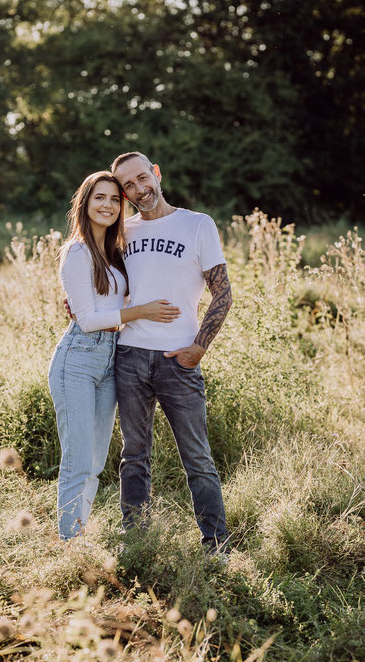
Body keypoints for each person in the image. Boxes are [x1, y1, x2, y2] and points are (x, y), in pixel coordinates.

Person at [110, 152, 233, 555]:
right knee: (134, 456)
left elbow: (223, 293)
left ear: (156, 174)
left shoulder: (197, 225)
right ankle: (137, 542)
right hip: (128, 356)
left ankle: (216, 545)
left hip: (177, 361)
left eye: (142, 178)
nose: (138, 190)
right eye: (127, 185)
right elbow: (105, 287)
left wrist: (198, 348)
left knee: (197, 458)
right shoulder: (120, 231)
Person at [48, 170, 180, 541]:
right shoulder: (76, 251)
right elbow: (88, 320)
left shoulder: (111, 251)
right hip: (77, 359)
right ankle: (68, 546)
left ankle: (77, 532)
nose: (107, 205)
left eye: (114, 199)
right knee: (77, 462)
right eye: (99, 198)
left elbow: (102, 303)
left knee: (94, 462)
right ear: (85, 204)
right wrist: (142, 312)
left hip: (109, 359)